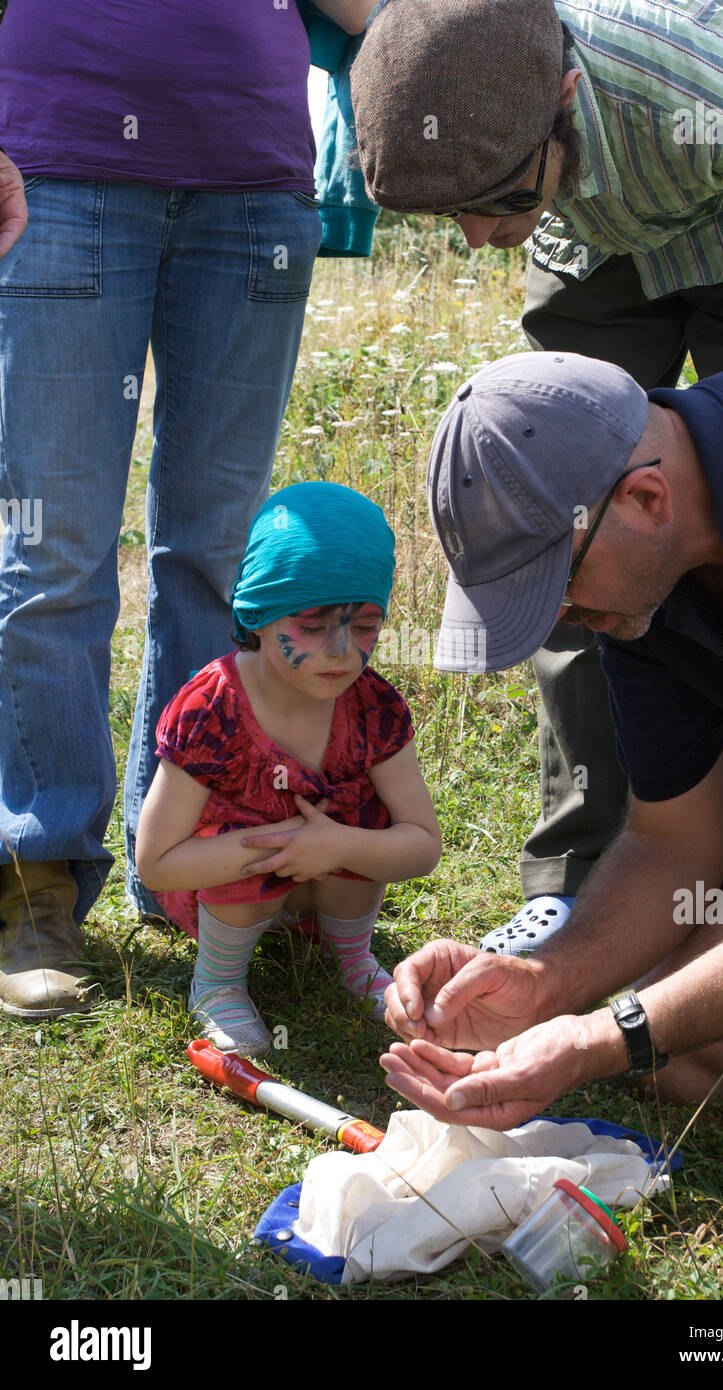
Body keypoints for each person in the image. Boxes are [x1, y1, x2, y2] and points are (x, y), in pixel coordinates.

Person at [348, 0, 723, 944]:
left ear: (567, 97)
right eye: (450, 213)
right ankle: (576, 875)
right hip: (596, 229)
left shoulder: (706, 87)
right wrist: (510, 194)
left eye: (495, 199)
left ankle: (702, 883)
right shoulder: (495, 120)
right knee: (564, 524)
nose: (476, 239)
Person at [0, 1, 376, 1020]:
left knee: (217, 564)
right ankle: (39, 883)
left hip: (253, 191)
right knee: (53, 555)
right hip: (58, 171)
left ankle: (193, 871)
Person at [380, 344, 723, 1128]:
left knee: (658, 1029)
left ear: (647, 497)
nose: (558, 617)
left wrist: (607, 1038)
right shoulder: (640, 568)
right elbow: (676, 843)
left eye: (558, 585)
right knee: (688, 1056)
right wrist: (547, 985)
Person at [135, 482, 441, 1057]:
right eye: (311, 624)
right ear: (259, 610)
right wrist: (278, 846)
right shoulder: (213, 708)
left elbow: (422, 845)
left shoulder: (373, 707)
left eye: (366, 625)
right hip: (216, 891)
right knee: (252, 832)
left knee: (362, 819)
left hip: (321, 887)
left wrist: (337, 846)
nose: (341, 650)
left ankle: (351, 958)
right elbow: (155, 863)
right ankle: (219, 980)